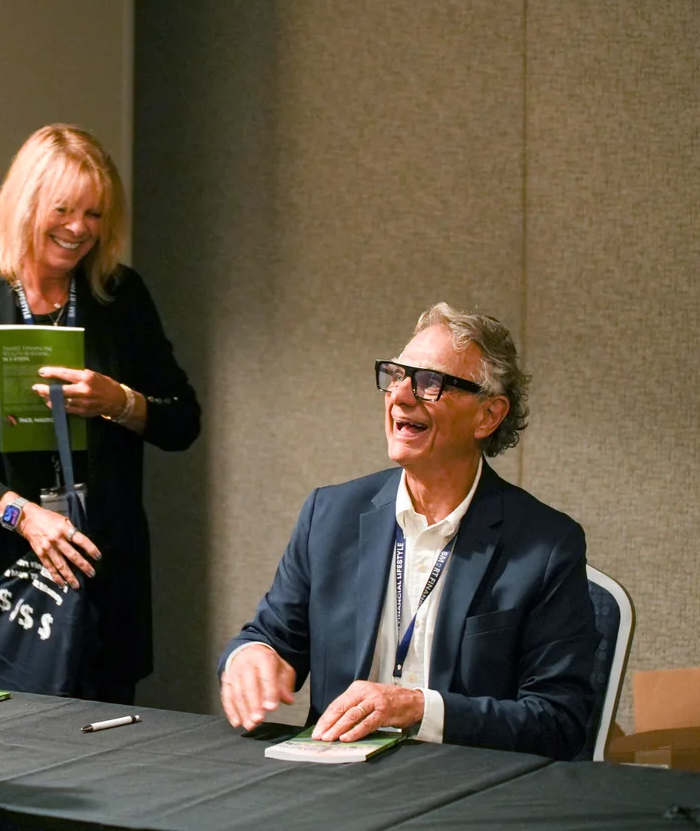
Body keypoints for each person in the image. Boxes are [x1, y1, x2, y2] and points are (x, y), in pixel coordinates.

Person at [218, 303, 597, 760]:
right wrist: (250, 657)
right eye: (396, 375)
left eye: (430, 382)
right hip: (334, 782)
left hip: (463, 788)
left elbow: (559, 721)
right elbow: (272, 637)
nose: (400, 395)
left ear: (488, 415)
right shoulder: (330, 515)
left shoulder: (545, 545)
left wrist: (419, 709)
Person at [0, 124, 200, 704]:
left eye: (94, 214)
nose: (79, 229)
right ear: (25, 205)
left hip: (99, 582)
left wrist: (118, 401)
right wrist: (22, 516)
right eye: (63, 209)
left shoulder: (120, 299)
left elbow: (182, 420)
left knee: (100, 764)